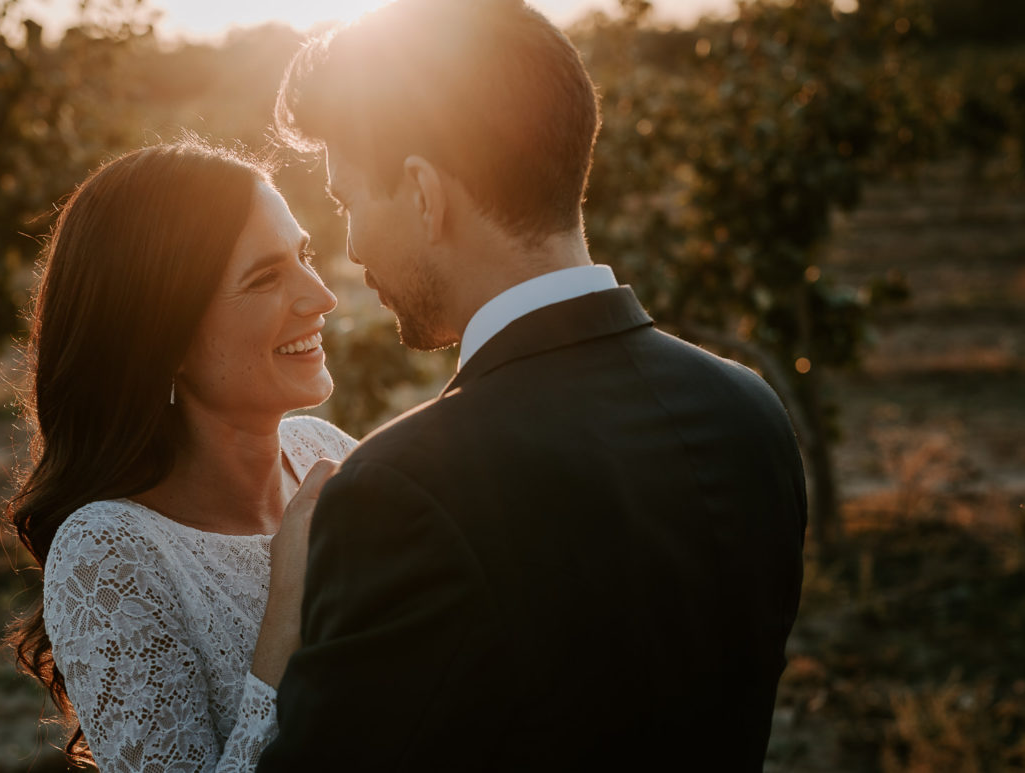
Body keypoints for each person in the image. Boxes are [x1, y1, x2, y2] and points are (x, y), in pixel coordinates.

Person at [259, 1, 808, 770]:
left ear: (423, 192)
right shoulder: (749, 412)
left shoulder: (402, 491)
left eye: (348, 201)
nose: (348, 247)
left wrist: (282, 630)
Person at [4, 141, 354, 772]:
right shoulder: (109, 555)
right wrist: (287, 613)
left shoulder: (326, 451)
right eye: (266, 277)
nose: (321, 296)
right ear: (164, 337)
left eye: (303, 257)